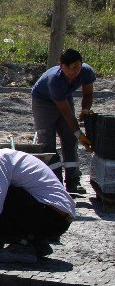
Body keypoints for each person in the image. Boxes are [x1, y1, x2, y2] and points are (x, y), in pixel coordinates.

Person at [30, 48, 95, 193]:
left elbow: (88, 93)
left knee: (70, 141)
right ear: (61, 66)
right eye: (68, 68)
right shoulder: (55, 80)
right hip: (43, 103)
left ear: (81, 64)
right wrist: (81, 136)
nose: (73, 72)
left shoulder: (86, 72)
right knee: (47, 144)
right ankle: (55, 184)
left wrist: (85, 109)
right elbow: (67, 114)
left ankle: (73, 182)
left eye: (76, 67)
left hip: (64, 98)